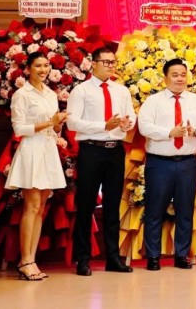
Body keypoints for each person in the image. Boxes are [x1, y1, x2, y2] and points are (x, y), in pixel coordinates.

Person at [137, 58, 196, 270]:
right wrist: (169, 133)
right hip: (159, 163)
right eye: (175, 75)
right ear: (165, 78)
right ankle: (153, 256)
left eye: (183, 74)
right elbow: (144, 127)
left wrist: (195, 131)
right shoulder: (153, 101)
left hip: (188, 163)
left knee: (185, 210)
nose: (180, 78)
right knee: (154, 210)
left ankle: (182, 255)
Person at [67, 46, 136, 276]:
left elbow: (131, 116)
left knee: (113, 205)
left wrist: (127, 123)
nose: (110, 66)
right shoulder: (81, 91)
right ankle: (83, 259)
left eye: (113, 62)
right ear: (93, 63)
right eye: (105, 62)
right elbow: (72, 123)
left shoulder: (121, 91)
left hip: (115, 151)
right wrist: (103, 126)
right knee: (86, 205)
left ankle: (113, 258)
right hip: (91, 150)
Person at [6, 51, 67, 281]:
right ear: (28, 69)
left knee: (40, 207)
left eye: (46, 65)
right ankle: (25, 261)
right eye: (38, 66)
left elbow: (54, 127)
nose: (43, 70)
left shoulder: (51, 94)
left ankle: (31, 259)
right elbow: (19, 129)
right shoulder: (21, 94)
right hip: (31, 150)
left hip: (48, 149)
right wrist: (49, 122)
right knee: (31, 206)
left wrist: (58, 124)